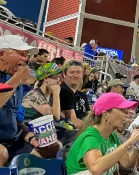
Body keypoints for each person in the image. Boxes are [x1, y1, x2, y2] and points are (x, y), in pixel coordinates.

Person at [65, 93, 139, 175]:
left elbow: (126, 163)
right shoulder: (90, 138)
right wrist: (129, 142)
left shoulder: (112, 136)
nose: (127, 114)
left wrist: (136, 145)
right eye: (123, 110)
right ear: (105, 115)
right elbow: (96, 169)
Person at [0, 35, 51, 166]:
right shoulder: (16, 79)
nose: (25, 58)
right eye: (21, 53)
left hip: (13, 141)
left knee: (49, 149)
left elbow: (14, 118)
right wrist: (17, 79)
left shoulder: (14, 81)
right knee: (1, 153)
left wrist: (30, 136)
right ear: (2, 54)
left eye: (26, 55)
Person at [59, 61, 85, 128]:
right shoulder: (64, 91)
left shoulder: (79, 94)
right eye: (72, 72)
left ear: (82, 75)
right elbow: (72, 121)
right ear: (64, 74)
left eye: (78, 72)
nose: (75, 75)